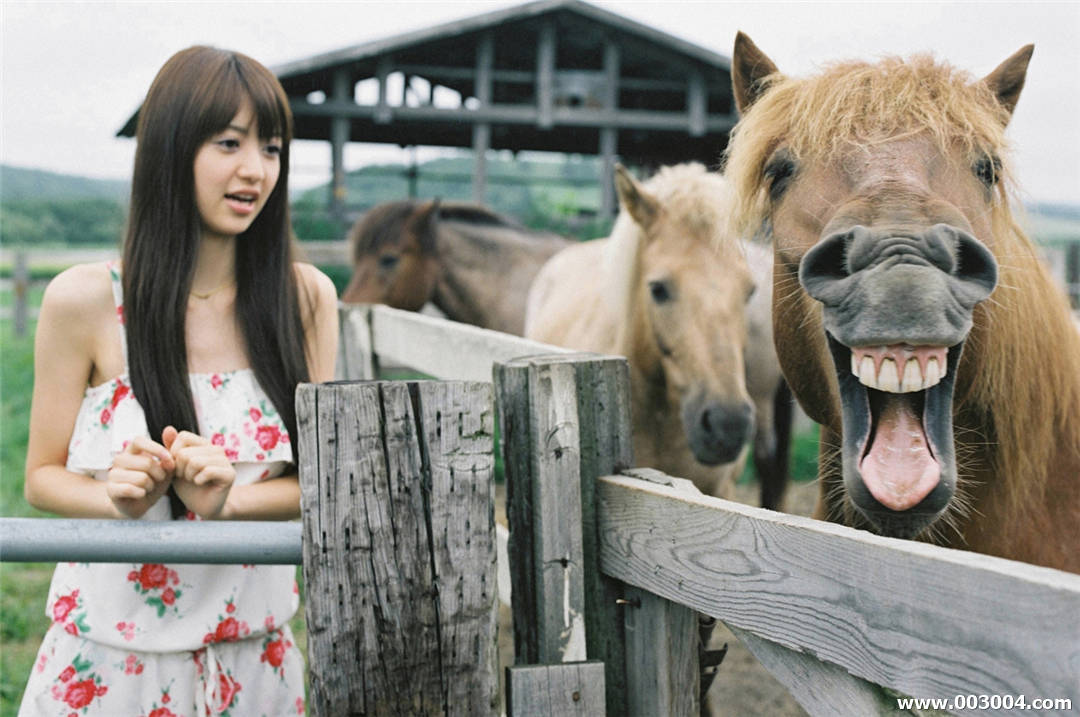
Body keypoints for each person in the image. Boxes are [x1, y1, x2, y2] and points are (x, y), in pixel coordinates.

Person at [19, 45, 338, 716]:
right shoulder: (85, 301)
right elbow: (41, 475)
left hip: (253, 661)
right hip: (108, 664)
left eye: (272, 148)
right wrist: (120, 499)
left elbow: (323, 482)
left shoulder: (303, 298)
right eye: (229, 142)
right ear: (170, 150)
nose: (256, 169)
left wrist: (225, 502)